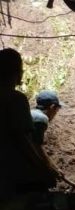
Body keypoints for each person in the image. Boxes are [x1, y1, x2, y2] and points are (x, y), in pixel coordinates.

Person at [0, 48, 62, 197]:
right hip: (10, 173)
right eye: (21, 69)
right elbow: (24, 140)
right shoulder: (15, 99)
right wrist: (44, 169)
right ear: (16, 72)